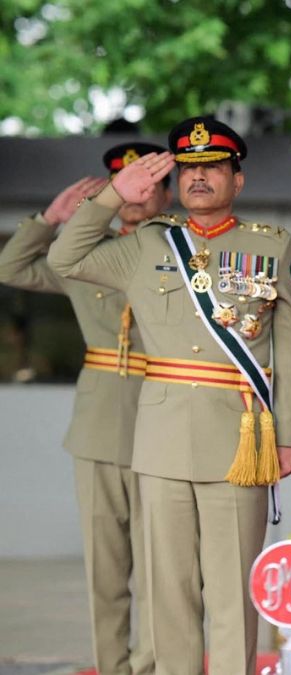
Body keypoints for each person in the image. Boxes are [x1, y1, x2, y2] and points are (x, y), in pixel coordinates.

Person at [47, 116, 291, 675]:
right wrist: (114, 195)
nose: (198, 177)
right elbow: (63, 258)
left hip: (238, 442)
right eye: (188, 168)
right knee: (169, 593)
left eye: (213, 167)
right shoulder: (146, 243)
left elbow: (290, 353)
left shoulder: (272, 246)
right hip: (160, 442)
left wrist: (290, 437)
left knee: (232, 591)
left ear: (237, 180)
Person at [0, 141, 171, 675]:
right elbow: (11, 267)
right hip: (98, 426)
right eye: (126, 183)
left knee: (163, 570)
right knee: (105, 570)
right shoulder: (85, 256)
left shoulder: (186, 252)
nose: (137, 193)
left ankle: (152, 666)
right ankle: (112, 668)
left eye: (147, 182)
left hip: (164, 420)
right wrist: (51, 217)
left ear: (166, 191)